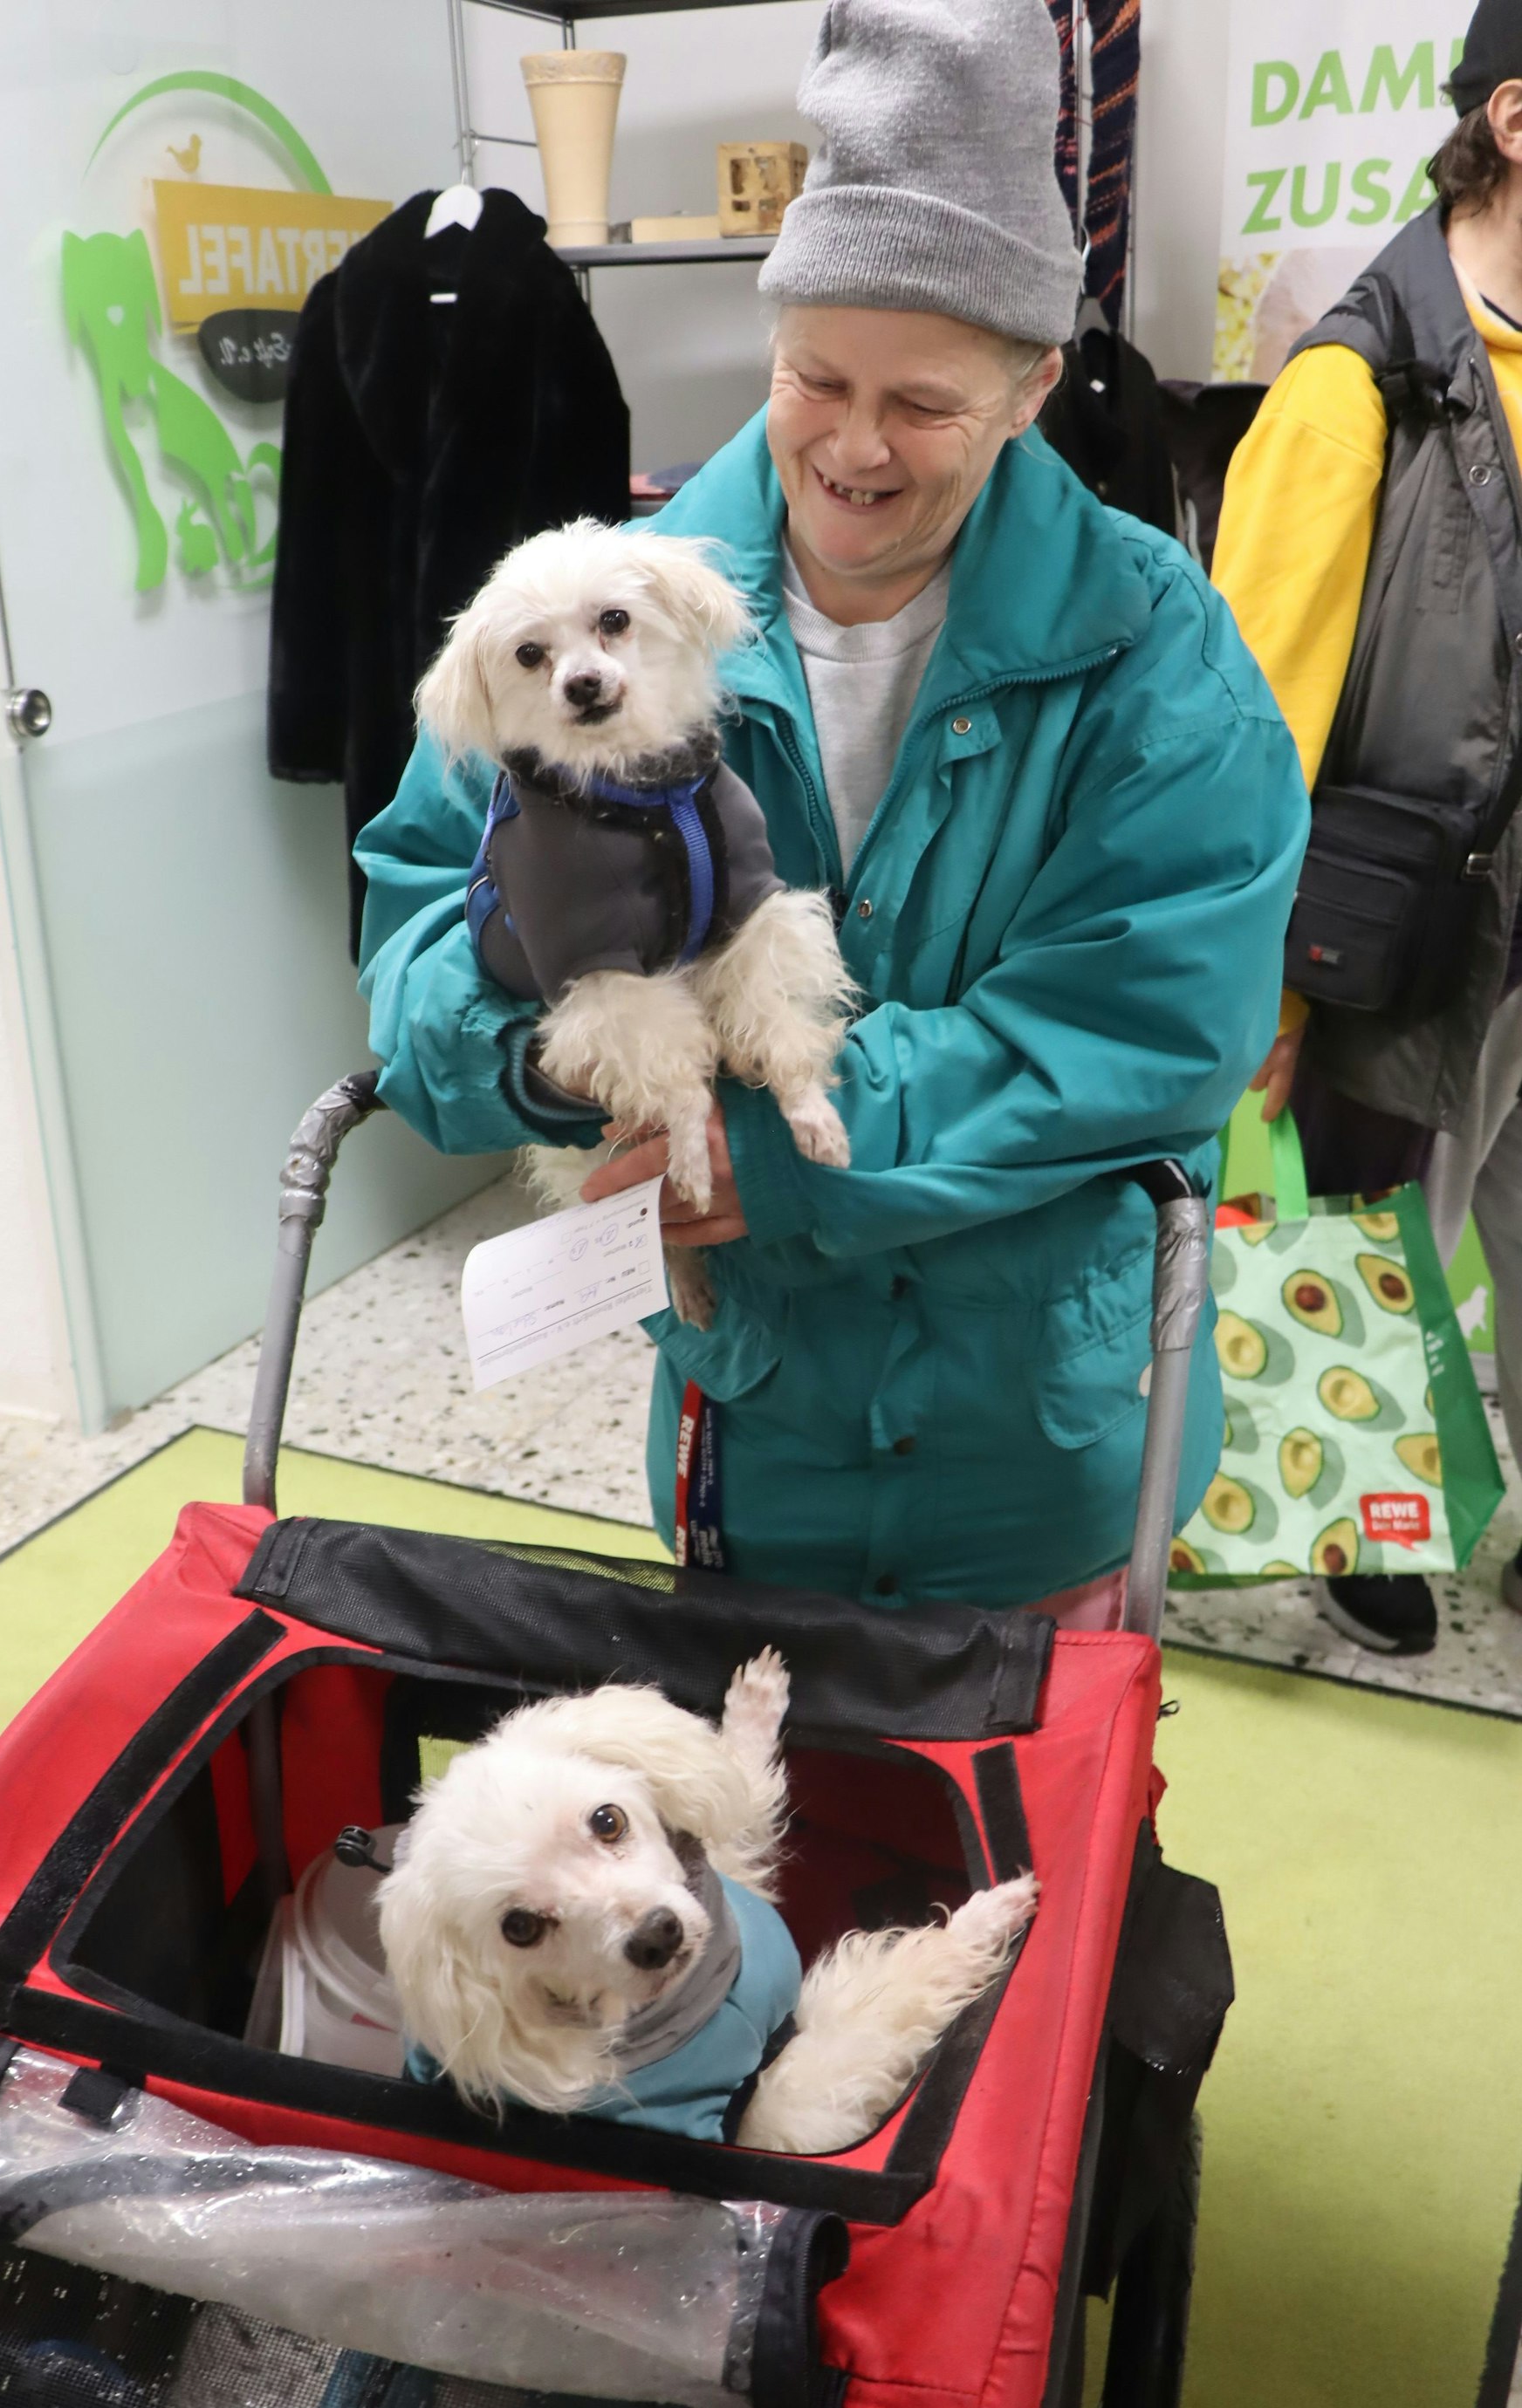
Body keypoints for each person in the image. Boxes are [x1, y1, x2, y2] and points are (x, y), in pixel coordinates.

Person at [358, 0, 1307, 1619]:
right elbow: (418, 936)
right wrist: (543, 1050)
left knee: (1035, 1839)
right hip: (752, 1408)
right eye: (816, 377)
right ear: (769, 333)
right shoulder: (591, 606)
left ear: (1030, 388)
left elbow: (1143, 1032)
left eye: (925, 403)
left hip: (1038, 1442)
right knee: (752, 1826)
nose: (854, 448)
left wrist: (769, 1158)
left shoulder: (1155, 654)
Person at [1216, 0, 1522, 1658]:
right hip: (1399, 909)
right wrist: (1257, 989)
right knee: (1356, 1208)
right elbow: (1245, 715)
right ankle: (1352, 1527)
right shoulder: (1357, 382)